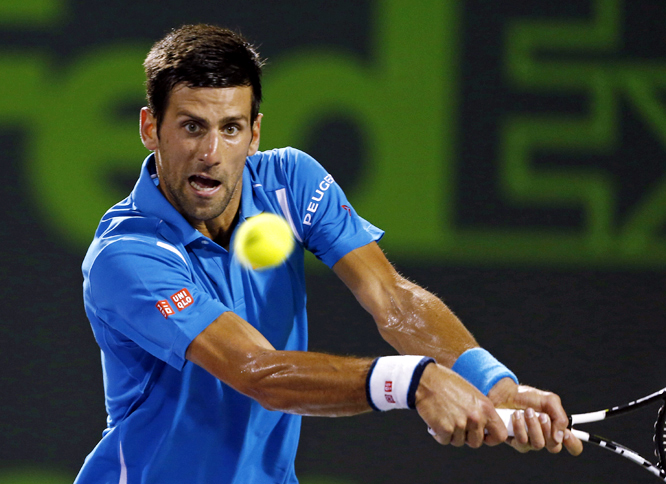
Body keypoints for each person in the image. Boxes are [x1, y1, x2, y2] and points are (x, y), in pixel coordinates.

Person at [74, 24, 582, 483]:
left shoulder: (290, 183)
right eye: (191, 127)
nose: (210, 153)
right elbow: (259, 372)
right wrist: (412, 381)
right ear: (149, 128)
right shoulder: (127, 255)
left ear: (254, 134)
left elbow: (392, 298)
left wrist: (491, 385)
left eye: (229, 128)